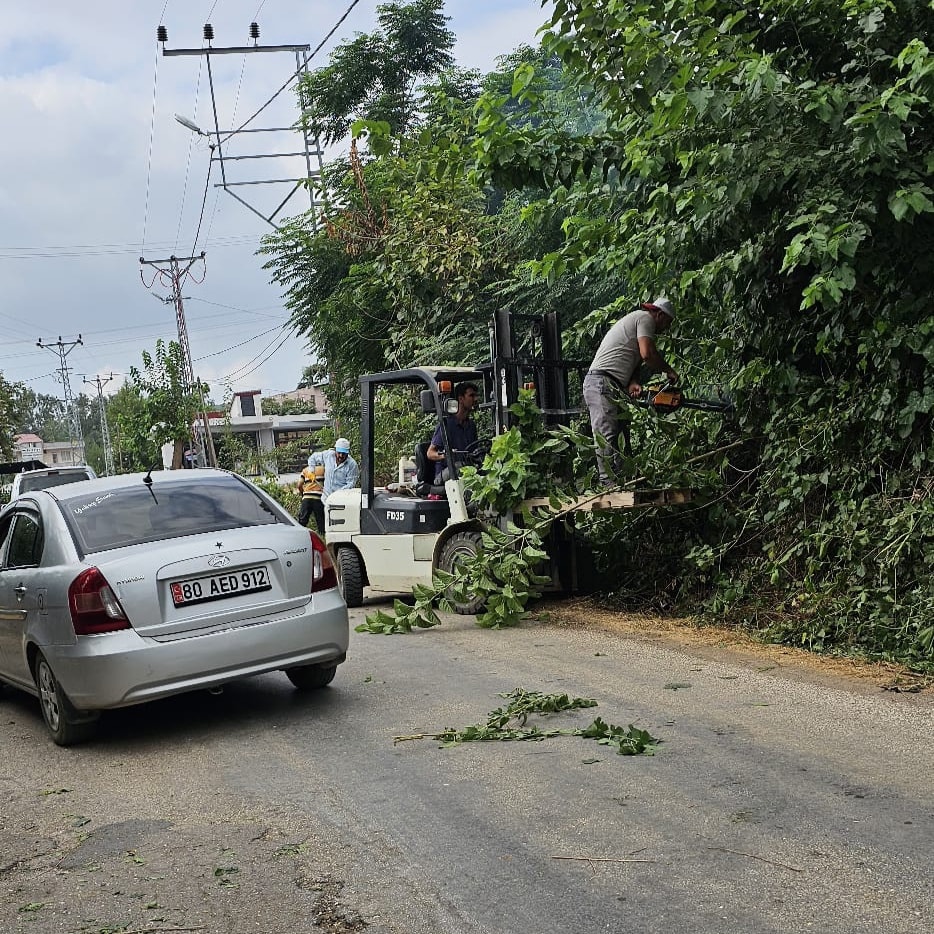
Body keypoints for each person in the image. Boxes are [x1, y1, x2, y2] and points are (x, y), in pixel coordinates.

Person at [583, 297, 678, 484]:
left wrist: (632, 381)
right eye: (667, 323)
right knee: (607, 434)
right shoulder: (645, 319)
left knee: (619, 433)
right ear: (659, 314)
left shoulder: (636, 321)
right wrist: (669, 370)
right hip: (602, 382)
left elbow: (634, 356)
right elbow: (647, 354)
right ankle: (608, 485)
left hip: (611, 383)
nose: (665, 329)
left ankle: (621, 481)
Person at [427, 382, 480, 483]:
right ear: (461, 399)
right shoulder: (446, 424)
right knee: (460, 466)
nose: (475, 399)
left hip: (465, 470)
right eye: (471, 395)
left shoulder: (471, 426)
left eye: (476, 396)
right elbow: (430, 453)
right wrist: (445, 455)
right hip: (444, 475)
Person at [308, 438, 359, 510]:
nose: (341, 455)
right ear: (335, 450)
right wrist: (311, 471)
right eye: (339, 453)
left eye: (344, 453)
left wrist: (337, 494)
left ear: (348, 452)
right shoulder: (328, 455)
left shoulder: (352, 465)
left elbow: (350, 484)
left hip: (341, 502)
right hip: (325, 500)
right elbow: (312, 458)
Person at [296, 454, 325, 533]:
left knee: (302, 521)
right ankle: (322, 538)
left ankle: (299, 535)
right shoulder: (324, 469)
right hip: (318, 499)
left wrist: (303, 494)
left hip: (306, 498)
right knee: (321, 521)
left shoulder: (305, 470)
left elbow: (299, 485)